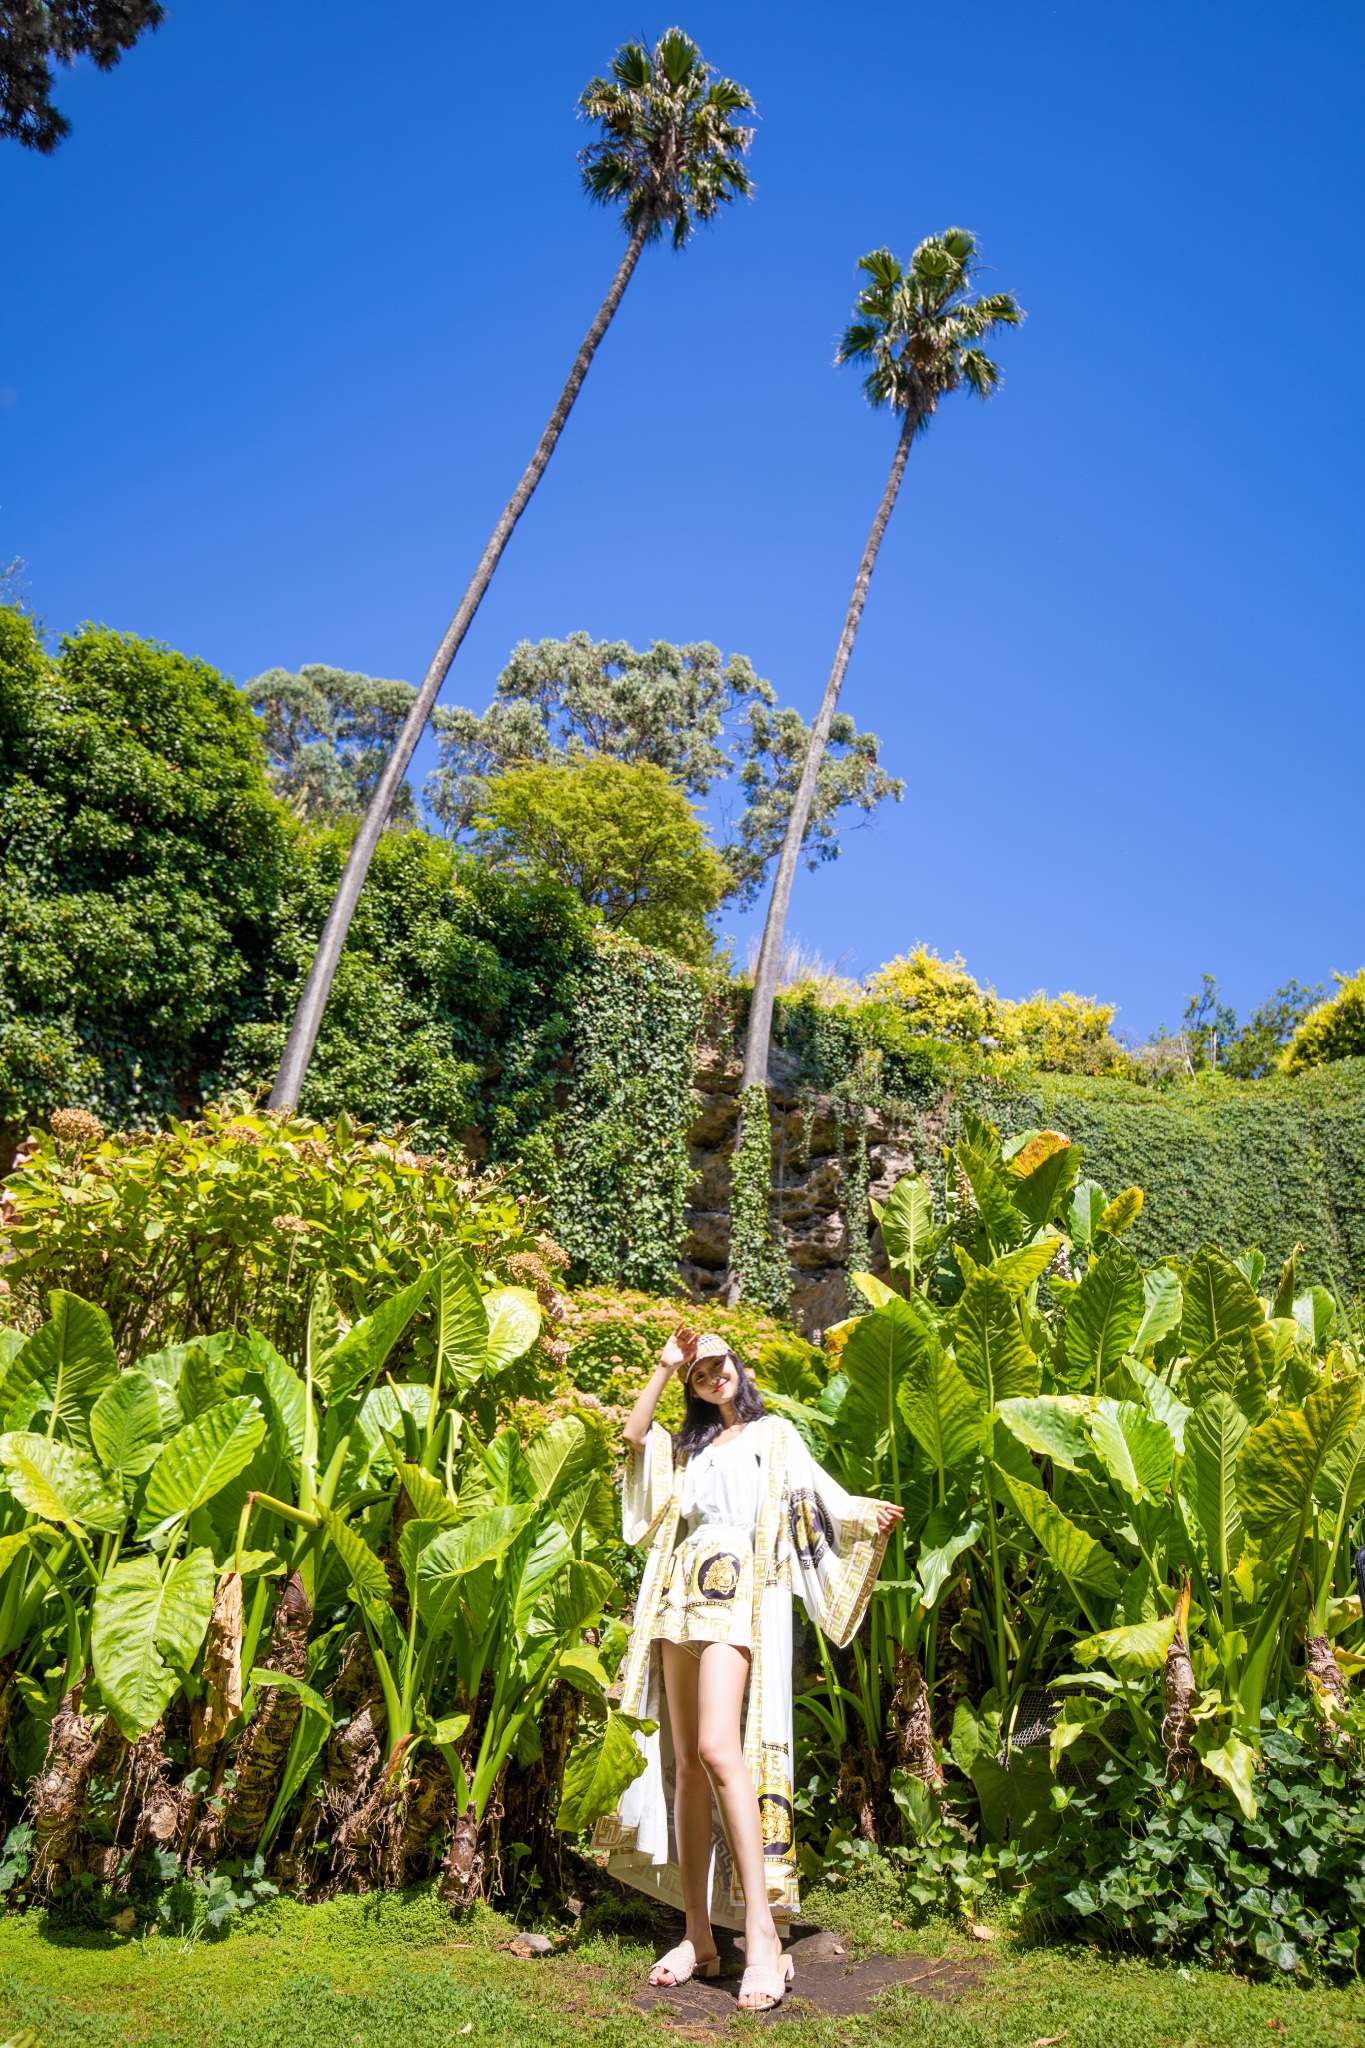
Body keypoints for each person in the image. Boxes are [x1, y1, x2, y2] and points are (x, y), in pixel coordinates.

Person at [592, 1327, 903, 2011]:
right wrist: (662, 1364)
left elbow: (814, 1497)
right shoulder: (690, 1447)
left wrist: (859, 1515)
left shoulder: (774, 1435)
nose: (711, 1378)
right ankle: (699, 1938)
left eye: (716, 1365)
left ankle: (762, 1938)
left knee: (717, 1750)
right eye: (698, 1374)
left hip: (737, 1596)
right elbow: (632, 1439)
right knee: (684, 1763)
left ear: (737, 1365)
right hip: (680, 1595)